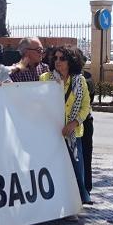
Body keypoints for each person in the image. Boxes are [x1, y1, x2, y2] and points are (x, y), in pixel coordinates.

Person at [40, 46, 91, 204]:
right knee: (55, 167)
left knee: (76, 167)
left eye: (62, 58)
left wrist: (73, 123)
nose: (58, 61)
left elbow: (85, 106)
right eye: (55, 58)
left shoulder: (79, 80)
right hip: (51, 133)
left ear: (71, 61)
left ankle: (80, 197)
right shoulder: (45, 78)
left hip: (73, 133)